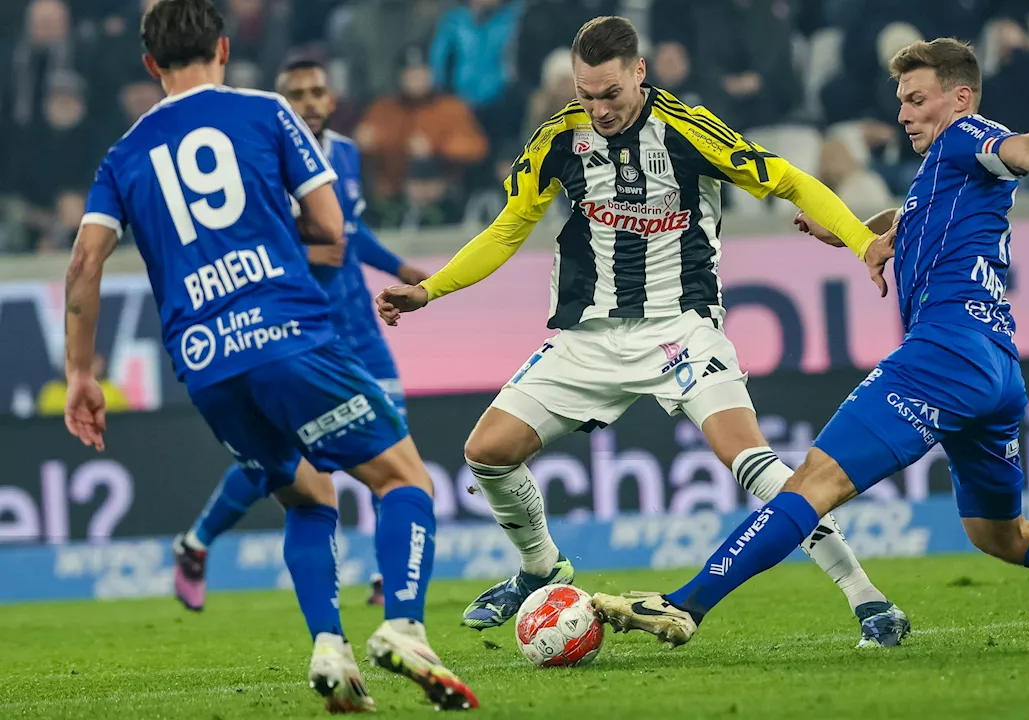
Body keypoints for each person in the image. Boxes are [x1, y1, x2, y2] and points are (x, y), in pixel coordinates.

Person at [590, 37, 1029, 646]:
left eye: (916, 99)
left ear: (959, 98)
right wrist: (859, 233)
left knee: (813, 482)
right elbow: (912, 216)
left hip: (945, 352)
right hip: (995, 368)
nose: (904, 113)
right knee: (1000, 534)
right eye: (901, 101)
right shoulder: (947, 173)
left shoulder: (967, 137)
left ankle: (685, 604)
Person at [376, 16, 910, 649]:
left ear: (639, 73)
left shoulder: (688, 131)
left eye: (610, 94)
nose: (598, 109)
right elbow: (505, 230)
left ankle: (868, 598)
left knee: (752, 461)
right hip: (587, 338)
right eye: (585, 95)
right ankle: (541, 568)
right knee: (486, 452)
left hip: (680, 330)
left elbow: (789, 181)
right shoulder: (557, 139)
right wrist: (430, 289)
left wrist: (861, 242)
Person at [62, 1, 475, 711]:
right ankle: (404, 626)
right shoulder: (265, 111)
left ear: (150, 65)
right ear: (223, 48)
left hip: (208, 366)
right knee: (404, 480)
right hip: (289, 337)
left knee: (307, 496)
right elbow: (330, 227)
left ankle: (329, 647)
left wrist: (79, 374)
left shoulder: (122, 155)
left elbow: (83, 264)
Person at [171, 58, 429, 613]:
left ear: (332, 100)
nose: (310, 101)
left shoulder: (346, 154)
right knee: (283, 466)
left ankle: (392, 578)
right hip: (297, 334)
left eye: (318, 92)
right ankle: (196, 543)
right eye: (298, 94)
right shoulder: (259, 157)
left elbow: (350, 236)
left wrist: (399, 269)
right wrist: (309, 250)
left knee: (394, 445)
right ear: (282, 102)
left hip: (359, 327)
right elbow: (251, 240)